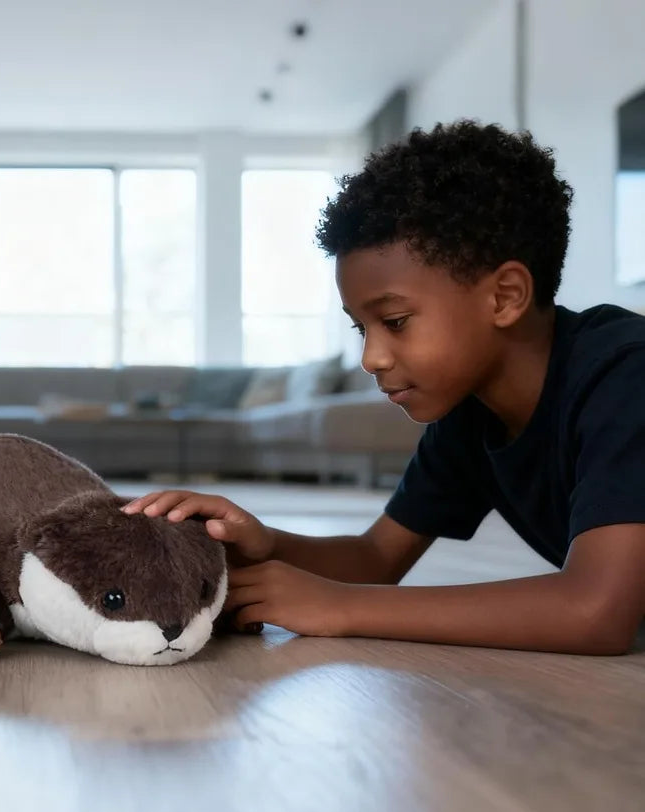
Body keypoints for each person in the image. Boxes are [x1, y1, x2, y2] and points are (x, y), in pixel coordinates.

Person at [123, 120, 645, 655]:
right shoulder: (471, 412)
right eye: (360, 328)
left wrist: (341, 606)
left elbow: (595, 611)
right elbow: (376, 558)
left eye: (394, 321)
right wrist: (265, 544)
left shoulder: (627, 374)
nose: (371, 358)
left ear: (505, 296)